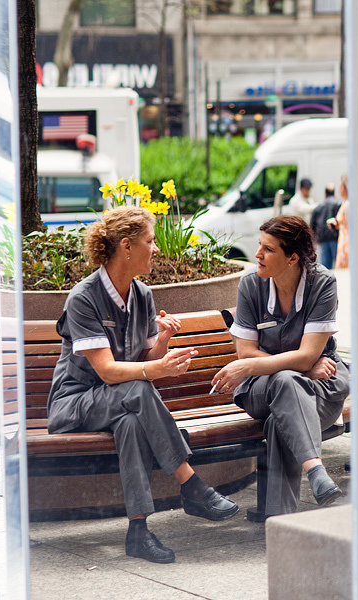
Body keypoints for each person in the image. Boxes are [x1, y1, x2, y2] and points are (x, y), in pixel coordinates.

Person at [46, 206, 239, 565]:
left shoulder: (143, 295)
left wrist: (163, 341)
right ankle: (191, 484)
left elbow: (144, 355)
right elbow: (106, 371)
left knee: (132, 421)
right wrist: (157, 369)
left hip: (119, 404)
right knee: (136, 391)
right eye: (150, 241)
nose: (156, 249)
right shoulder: (83, 299)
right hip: (75, 403)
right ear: (126, 246)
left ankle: (138, 531)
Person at [212, 215, 350, 518]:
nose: (257, 255)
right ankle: (315, 469)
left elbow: (304, 355)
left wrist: (254, 366)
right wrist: (302, 366)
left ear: (293, 259)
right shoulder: (251, 285)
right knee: (286, 380)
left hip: (320, 391)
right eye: (260, 246)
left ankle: (280, 520)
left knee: (280, 421)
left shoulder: (322, 283)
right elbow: (247, 350)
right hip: (261, 391)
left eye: (268, 249)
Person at [311, 183, 342, 269]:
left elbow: (312, 224)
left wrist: (315, 238)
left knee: (325, 266)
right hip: (336, 237)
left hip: (323, 239)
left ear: (325, 194)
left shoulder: (318, 207)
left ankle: (327, 282)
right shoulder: (338, 203)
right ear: (334, 193)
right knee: (338, 264)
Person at [329, 174, 350, 269]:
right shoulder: (345, 203)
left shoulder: (348, 204)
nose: (339, 189)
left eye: (341, 186)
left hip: (346, 242)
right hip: (343, 240)